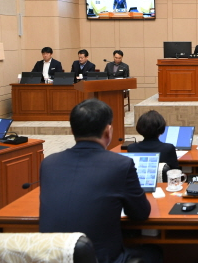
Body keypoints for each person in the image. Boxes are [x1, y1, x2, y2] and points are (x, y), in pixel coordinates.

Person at [39, 99, 161, 263]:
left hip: (52, 258)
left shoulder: (48, 163)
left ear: (73, 129)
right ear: (108, 131)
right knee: (154, 251)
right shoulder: (120, 164)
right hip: (101, 258)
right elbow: (140, 214)